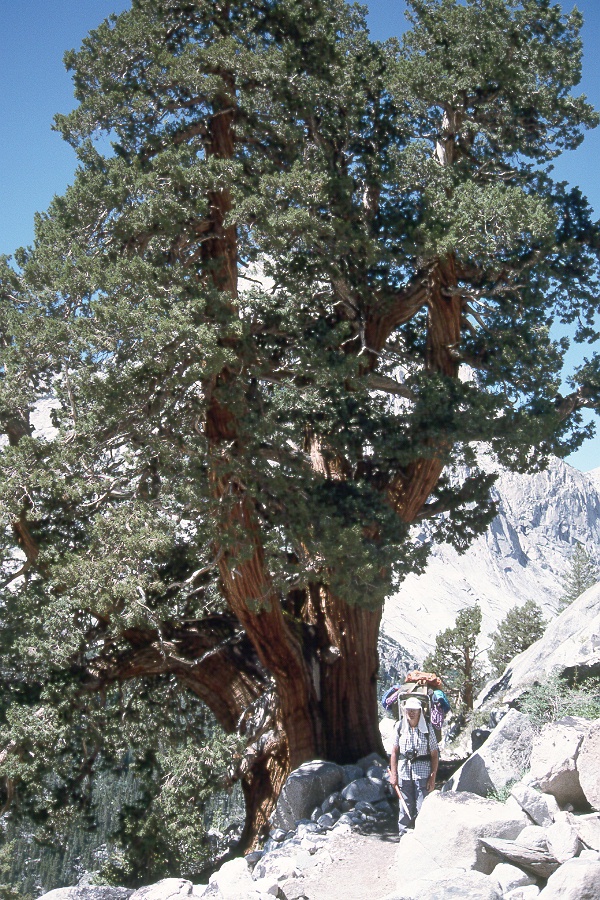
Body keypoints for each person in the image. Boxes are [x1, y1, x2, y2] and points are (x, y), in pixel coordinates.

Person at [389, 696, 439, 836]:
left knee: (422, 805)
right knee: (405, 806)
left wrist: (432, 777)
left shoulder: (427, 729)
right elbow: (394, 752)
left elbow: (434, 754)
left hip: (422, 773)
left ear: (420, 711)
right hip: (404, 772)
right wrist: (394, 775)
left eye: (414, 710)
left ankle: (423, 835)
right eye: (408, 710)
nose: (411, 713)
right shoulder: (400, 727)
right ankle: (404, 835)